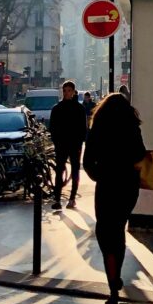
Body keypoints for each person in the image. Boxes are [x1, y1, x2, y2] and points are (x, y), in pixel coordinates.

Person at [83, 91, 146, 304]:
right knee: (118, 229)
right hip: (128, 185)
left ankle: (113, 284)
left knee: (105, 231)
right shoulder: (132, 127)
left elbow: (88, 162)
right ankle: (116, 277)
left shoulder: (97, 129)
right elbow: (140, 154)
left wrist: (100, 175)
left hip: (107, 184)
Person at [49, 80, 86, 210]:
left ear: (73, 92)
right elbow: (52, 127)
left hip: (75, 145)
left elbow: (83, 128)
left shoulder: (79, 108)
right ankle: (57, 199)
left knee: (75, 170)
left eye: (69, 90)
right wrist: (56, 141)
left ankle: (72, 198)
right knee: (59, 171)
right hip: (61, 144)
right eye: (65, 91)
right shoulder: (57, 108)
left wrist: (80, 142)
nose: (66, 93)